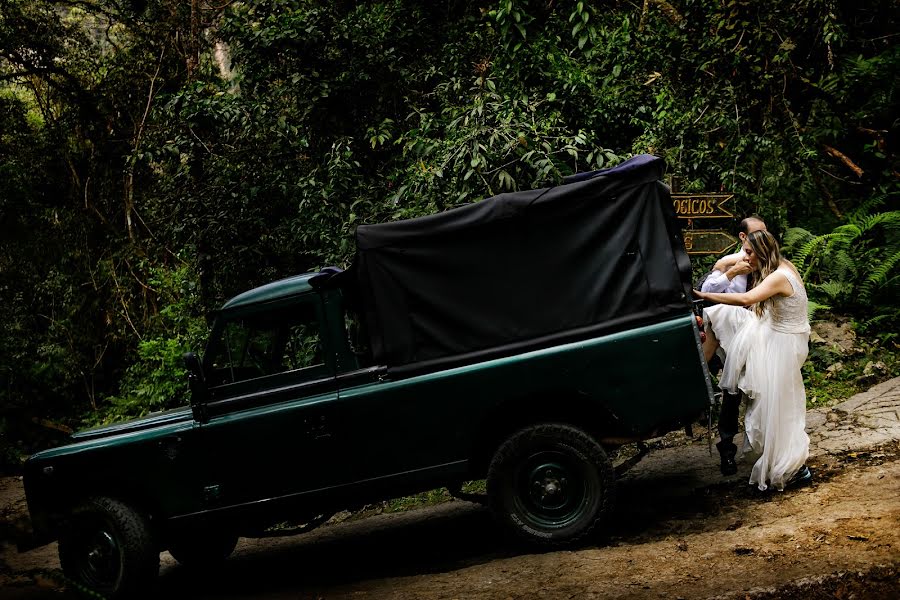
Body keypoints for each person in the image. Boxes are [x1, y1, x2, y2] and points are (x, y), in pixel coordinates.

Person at [694, 230, 812, 491]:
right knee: (721, 316)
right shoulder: (779, 262)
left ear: (761, 252)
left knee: (774, 406)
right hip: (774, 330)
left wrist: (705, 296)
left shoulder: (779, 276)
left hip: (783, 341)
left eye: (748, 252)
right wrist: (729, 267)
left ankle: (793, 466)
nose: (744, 257)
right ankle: (786, 461)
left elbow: (747, 299)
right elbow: (733, 265)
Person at [700, 216, 767, 476]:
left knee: (758, 391)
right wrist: (732, 272)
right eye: (756, 234)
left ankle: (760, 446)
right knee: (732, 391)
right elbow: (706, 292)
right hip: (730, 338)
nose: (762, 238)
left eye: (765, 233)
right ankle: (726, 451)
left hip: (759, 333)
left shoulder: (769, 263)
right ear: (743, 237)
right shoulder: (728, 261)